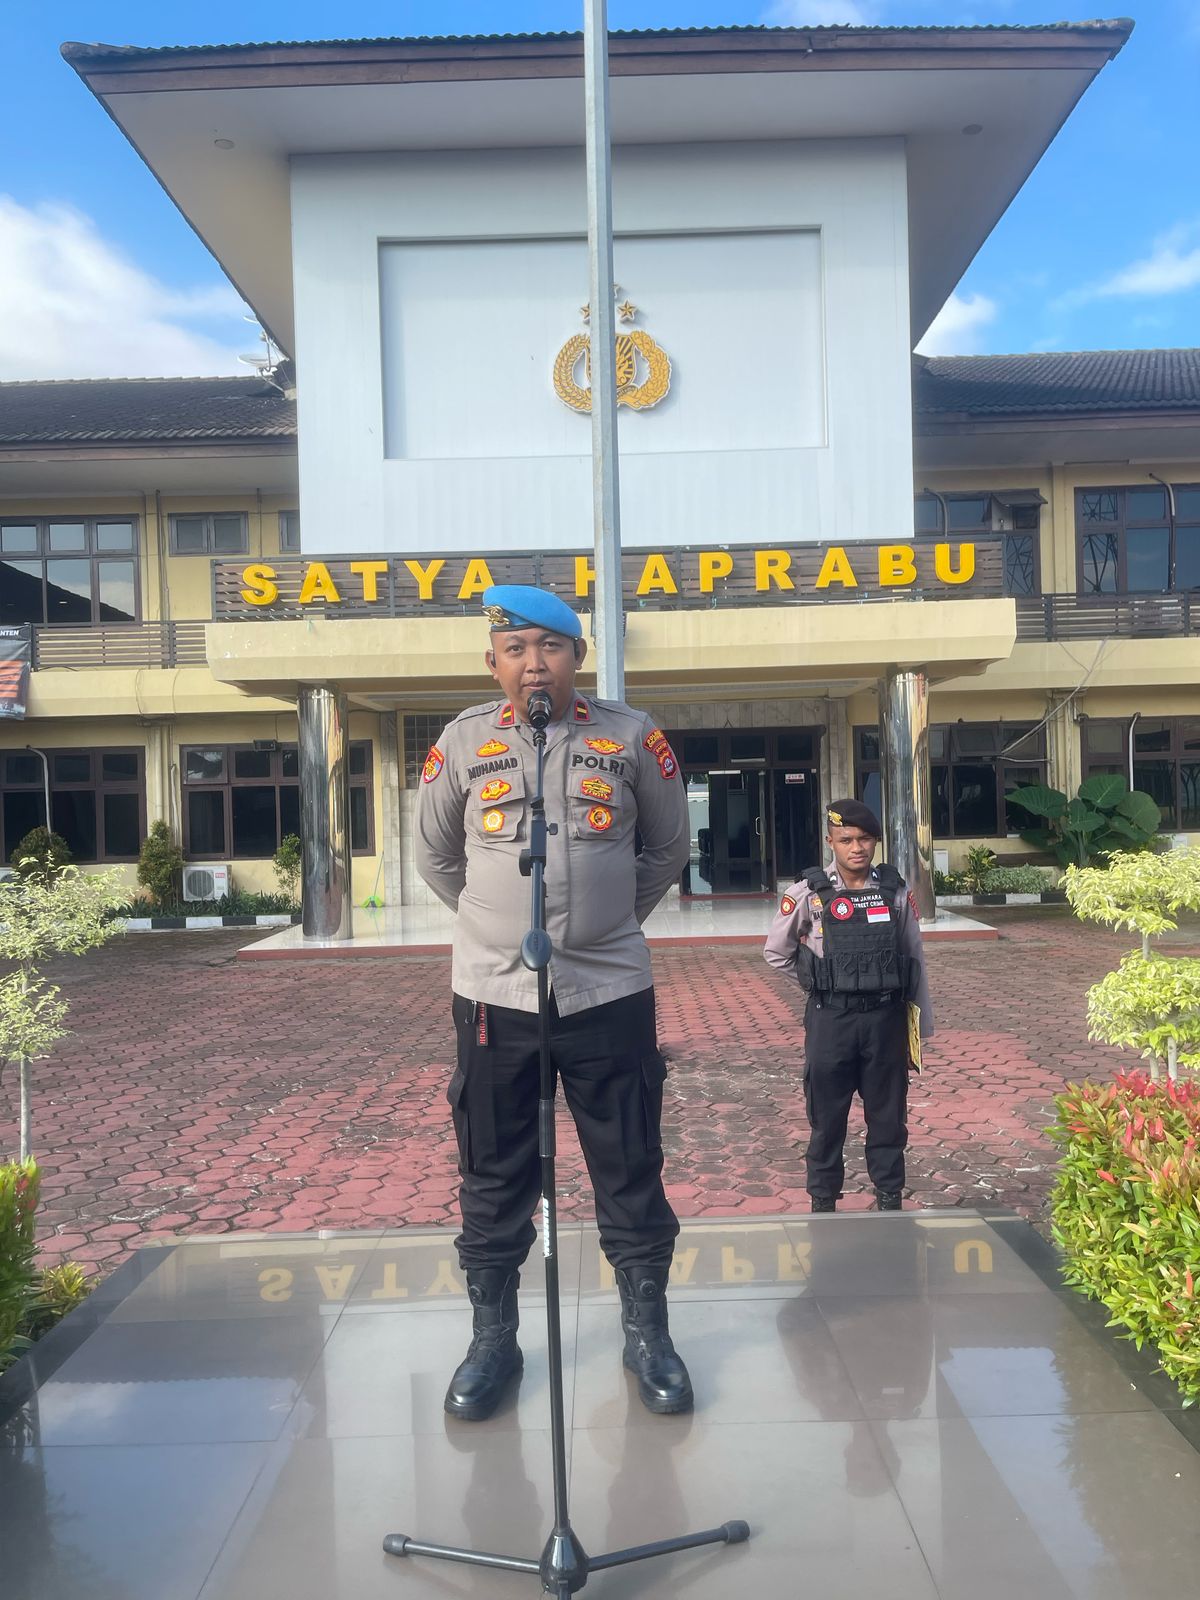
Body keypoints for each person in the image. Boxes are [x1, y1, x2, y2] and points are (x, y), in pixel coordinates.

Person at [415, 583, 693, 1420]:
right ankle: (492, 1341)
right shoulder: (463, 742)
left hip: (609, 988)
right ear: (493, 662)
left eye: (551, 646)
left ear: (578, 655)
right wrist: (496, 924)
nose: (534, 663)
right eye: (517, 649)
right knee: (493, 1171)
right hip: (495, 995)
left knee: (629, 1162)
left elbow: (667, 847)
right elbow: (437, 858)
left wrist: (603, 922)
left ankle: (648, 1334)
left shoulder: (633, 737)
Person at [763, 798, 933, 1212]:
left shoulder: (894, 891)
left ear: (875, 841)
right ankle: (823, 1201)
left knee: (888, 1118)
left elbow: (913, 958)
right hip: (831, 1019)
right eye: (846, 840)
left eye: (865, 839)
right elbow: (776, 952)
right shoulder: (807, 893)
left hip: (885, 1019)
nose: (857, 848)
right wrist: (820, 983)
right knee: (826, 1119)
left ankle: (889, 1197)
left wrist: (920, 1029)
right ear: (831, 842)